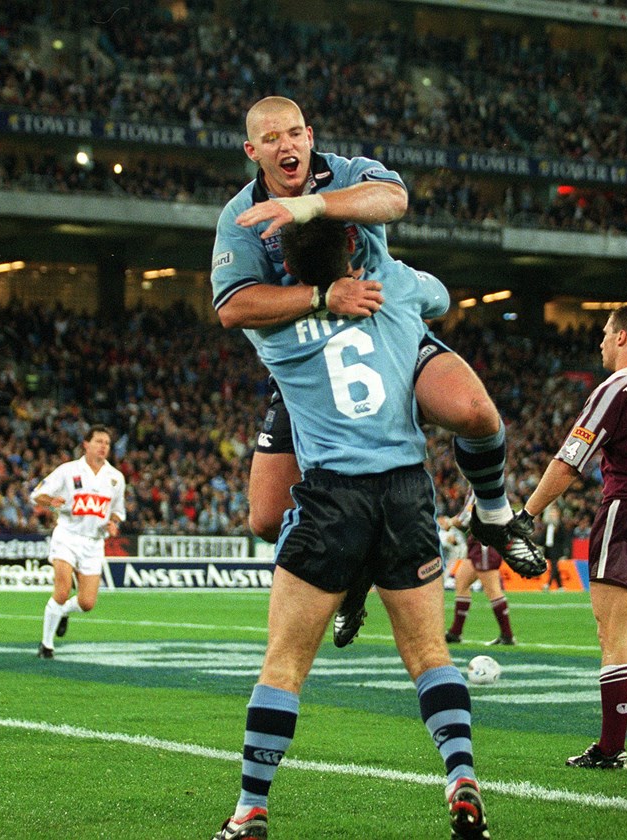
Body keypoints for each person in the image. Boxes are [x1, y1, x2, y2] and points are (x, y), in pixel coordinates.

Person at [211, 95, 545, 645]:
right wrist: (324, 296)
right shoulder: (240, 216)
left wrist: (311, 208)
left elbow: (394, 198)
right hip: (309, 372)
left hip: (388, 335)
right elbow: (233, 307)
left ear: (310, 135)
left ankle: (494, 514)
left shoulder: (342, 172)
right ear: (253, 151)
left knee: (475, 413)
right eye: (271, 139)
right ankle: (354, 577)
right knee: (266, 519)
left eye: (294, 133)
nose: (286, 145)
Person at [210, 218, 491, 840]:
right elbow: (439, 295)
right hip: (406, 491)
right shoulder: (394, 287)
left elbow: (240, 303)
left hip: (333, 495)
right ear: (354, 250)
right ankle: (461, 776)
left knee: (283, 666)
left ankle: (250, 811)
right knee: (429, 655)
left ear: (285, 267)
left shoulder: (272, 334)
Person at [521, 304, 627, 769]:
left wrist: (528, 513)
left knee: (611, 638)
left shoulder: (617, 388)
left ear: (622, 338)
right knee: (622, 630)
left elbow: (571, 458)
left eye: (605, 333)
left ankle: (611, 748)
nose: (599, 342)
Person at [30, 424, 126, 659]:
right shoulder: (68, 470)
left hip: (94, 543)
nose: (103, 446)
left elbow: (117, 511)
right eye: (99, 441)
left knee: (86, 603)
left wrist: (113, 522)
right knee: (62, 591)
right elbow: (37, 495)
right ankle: (46, 645)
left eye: (107, 443)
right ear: (86, 444)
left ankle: (62, 612)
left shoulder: (115, 478)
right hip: (67, 537)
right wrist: (51, 501)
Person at [442, 490, 516, 646]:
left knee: (492, 589)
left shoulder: (479, 485)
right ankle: (455, 632)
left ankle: (507, 636)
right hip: (478, 539)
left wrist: (448, 523)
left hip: (485, 541)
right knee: (461, 582)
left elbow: (466, 516)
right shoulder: (476, 485)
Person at [536, 503, 572, 591]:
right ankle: (560, 586)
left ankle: (548, 584)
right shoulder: (547, 525)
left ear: (558, 514)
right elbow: (543, 537)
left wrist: (566, 550)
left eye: (554, 513)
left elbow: (565, 539)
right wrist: (537, 544)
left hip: (556, 549)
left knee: (554, 566)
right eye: (551, 513)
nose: (553, 515)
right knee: (555, 567)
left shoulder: (560, 526)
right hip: (548, 549)